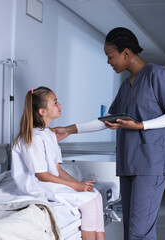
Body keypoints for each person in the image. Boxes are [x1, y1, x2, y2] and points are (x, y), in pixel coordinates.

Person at [54, 27, 165, 240]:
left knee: (138, 231)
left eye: (109, 56)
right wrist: (69, 130)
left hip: (151, 164)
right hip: (129, 162)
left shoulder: (156, 74)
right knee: (131, 230)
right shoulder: (126, 86)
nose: (108, 62)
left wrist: (139, 126)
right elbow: (107, 121)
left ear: (125, 52)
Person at [11, 86, 105, 240]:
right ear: (42, 111)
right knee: (88, 204)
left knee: (95, 195)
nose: (59, 105)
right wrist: (75, 186)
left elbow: (57, 168)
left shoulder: (48, 134)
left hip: (49, 181)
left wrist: (81, 185)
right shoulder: (33, 137)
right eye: (55, 102)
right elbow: (41, 175)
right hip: (37, 185)